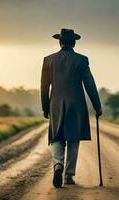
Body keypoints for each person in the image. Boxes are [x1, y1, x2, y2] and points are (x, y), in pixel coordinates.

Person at [41, 28, 102, 188]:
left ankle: (57, 165)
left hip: (55, 104)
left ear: (60, 42)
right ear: (74, 43)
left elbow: (44, 87)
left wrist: (45, 107)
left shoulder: (48, 60)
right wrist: (97, 106)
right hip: (76, 106)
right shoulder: (82, 60)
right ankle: (68, 175)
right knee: (73, 139)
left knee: (56, 137)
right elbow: (90, 84)